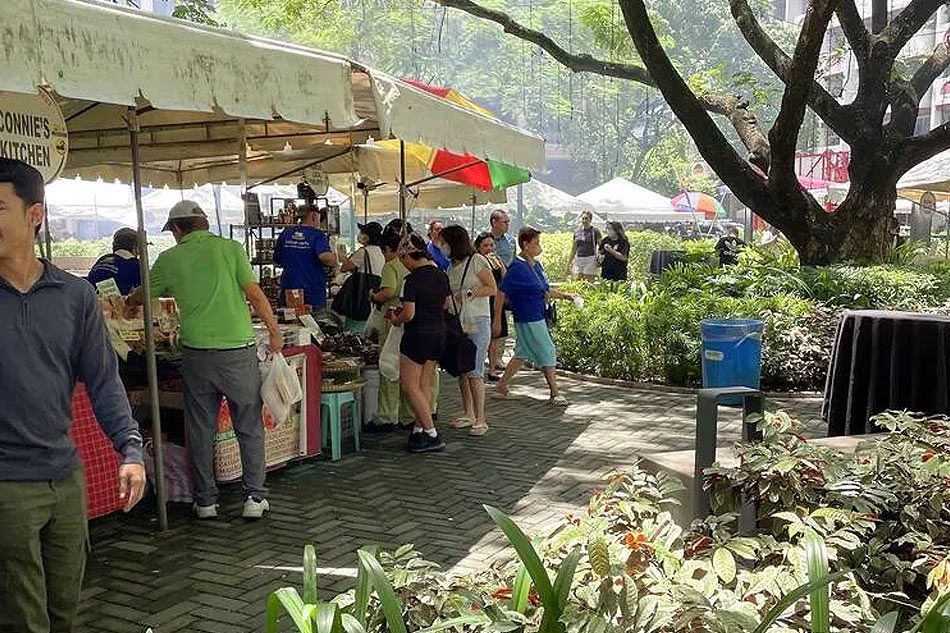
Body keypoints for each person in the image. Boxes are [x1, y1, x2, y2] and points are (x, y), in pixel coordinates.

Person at [0, 158, 146, 633]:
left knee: (63, 611)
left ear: (34, 215)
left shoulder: (74, 296)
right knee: (22, 619)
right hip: (7, 486)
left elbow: (103, 380)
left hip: (64, 480)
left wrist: (130, 448)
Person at [128, 200, 282, 520]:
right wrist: (273, 329)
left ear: (178, 228)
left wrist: (129, 300)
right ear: (205, 221)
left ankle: (206, 501)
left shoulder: (170, 259)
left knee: (200, 428)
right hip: (238, 351)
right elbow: (254, 293)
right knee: (249, 427)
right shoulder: (231, 249)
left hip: (196, 354)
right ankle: (253, 498)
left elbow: (144, 296)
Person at [494, 226, 578, 406]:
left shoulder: (536, 266)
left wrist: (566, 296)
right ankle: (555, 392)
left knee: (522, 352)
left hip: (537, 313)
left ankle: (501, 384)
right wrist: (497, 320)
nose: (539, 246)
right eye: (536, 243)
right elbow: (501, 293)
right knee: (547, 350)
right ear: (525, 244)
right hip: (527, 316)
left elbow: (545, 289)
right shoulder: (516, 267)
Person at [388, 232, 451, 453]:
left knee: (410, 385)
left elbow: (409, 314)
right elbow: (447, 304)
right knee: (425, 384)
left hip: (416, 336)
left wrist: (396, 319)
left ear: (408, 256)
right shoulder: (441, 275)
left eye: (403, 259)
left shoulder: (411, 280)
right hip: (438, 333)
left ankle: (432, 433)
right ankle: (419, 429)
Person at [442, 226, 497, 436]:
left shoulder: (477, 261)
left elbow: (492, 288)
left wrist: (469, 293)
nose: (442, 246)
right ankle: (469, 413)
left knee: (475, 371)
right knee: (462, 368)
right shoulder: (451, 267)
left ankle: (481, 419)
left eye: (445, 242)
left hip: (478, 320)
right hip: (459, 322)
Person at [368, 229, 413, 432]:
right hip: (411, 323)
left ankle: (386, 416)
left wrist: (373, 296)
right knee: (410, 371)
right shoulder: (413, 265)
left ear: (387, 249)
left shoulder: (392, 265)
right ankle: (410, 413)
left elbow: (389, 291)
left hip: (394, 321)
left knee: (388, 367)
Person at [273, 204, 338, 309]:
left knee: (289, 322)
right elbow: (324, 257)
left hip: (289, 289)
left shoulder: (286, 233)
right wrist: (334, 261)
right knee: (313, 323)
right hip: (312, 291)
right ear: (314, 216)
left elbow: (277, 259)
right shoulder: (317, 235)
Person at [475, 231, 508, 382]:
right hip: (483, 301)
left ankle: (493, 369)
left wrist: (500, 265)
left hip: (496, 300)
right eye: (485, 245)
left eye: (491, 245)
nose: (489, 248)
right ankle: (478, 367)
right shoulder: (477, 261)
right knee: (483, 337)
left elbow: (505, 279)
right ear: (478, 247)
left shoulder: (496, 259)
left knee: (495, 336)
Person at [340, 221, 385, 333]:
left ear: (368, 236)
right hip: (375, 294)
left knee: (354, 329)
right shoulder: (381, 251)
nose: (359, 235)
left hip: (361, 295)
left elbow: (344, 268)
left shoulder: (363, 252)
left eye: (362, 232)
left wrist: (343, 256)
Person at [86, 227, 143, 295]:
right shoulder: (136, 265)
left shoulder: (103, 259)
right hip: (118, 303)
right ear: (135, 247)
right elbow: (144, 293)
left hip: (91, 302)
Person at [568, 211, 602, 281]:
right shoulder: (577, 231)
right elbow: (574, 249)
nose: (584, 220)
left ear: (590, 219)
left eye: (586, 218)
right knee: (577, 280)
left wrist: (600, 258)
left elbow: (601, 246)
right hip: (579, 259)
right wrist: (569, 263)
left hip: (590, 258)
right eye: (583, 218)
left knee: (588, 281)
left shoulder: (595, 231)